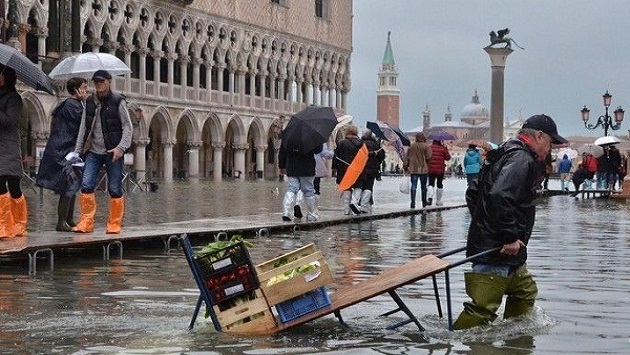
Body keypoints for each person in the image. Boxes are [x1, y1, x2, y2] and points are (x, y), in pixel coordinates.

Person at [453, 114, 568, 329]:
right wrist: (509, 236)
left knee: (525, 292)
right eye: (551, 144)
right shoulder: (521, 158)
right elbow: (499, 195)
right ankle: (461, 345)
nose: (549, 151)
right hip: (499, 248)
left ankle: (514, 339)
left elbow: (473, 192)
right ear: (540, 137)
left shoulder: (503, 152)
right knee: (482, 310)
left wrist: (483, 222)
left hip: (504, 249)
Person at [72, 70, 134, 234]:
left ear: (109, 82)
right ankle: (86, 222)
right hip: (93, 151)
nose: (98, 84)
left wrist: (121, 147)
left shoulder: (118, 101)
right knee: (86, 185)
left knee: (114, 188)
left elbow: (128, 126)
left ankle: (114, 223)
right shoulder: (90, 102)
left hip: (113, 152)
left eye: (101, 81)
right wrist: (78, 150)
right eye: (96, 82)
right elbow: (83, 127)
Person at [36, 77, 89, 231]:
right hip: (64, 150)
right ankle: (61, 222)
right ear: (77, 89)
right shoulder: (74, 106)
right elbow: (82, 124)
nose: (87, 90)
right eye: (84, 87)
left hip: (64, 149)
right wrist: (85, 104)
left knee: (72, 184)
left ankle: (69, 219)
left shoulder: (68, 104)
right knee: (69, 184)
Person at [0, 65, 28, 238]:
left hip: (8, 146)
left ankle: (19, 224)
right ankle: (4, 225)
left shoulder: (14, 98)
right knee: (0, 183)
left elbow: (9, 121)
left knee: (14, 185)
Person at [278, 136, 322, 222]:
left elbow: (282, 152)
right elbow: (318, 150)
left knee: (292, 188)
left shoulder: (289, 135)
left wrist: (282, 166)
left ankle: (286, 212)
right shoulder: (311, 135)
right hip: (307, 166)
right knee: (308, 190)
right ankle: (311, 214)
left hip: (291, 166)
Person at [350, 130, 385, 214]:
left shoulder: (359, 143)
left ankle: (354, 202)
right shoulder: (376, 145)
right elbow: (382, 157)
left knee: (358, 185)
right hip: (372, 169)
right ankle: (364, 206)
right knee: (368, 187)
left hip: (360, 168)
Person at [332, 124, 362, 215]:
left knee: (347, 188)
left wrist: (333, 168)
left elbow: (336, 157)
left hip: (344, 169)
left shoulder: (341, 143)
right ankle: (354, 203)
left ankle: (346, 210)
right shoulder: (361, 143)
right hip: (357, 169)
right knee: (358, 186)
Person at [403, 132, 432, 208]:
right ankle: (424, 203)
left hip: (413, 169)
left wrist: (405, 166)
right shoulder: (426, 146)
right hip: (423, 169)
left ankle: (412, 203)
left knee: (413, 186)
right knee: (423, 187)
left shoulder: (411, 146)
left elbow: (407, 158)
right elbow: (429, 157)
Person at [427, 139, 451, 206]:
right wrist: (446, 149)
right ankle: (438, 200)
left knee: (431, 183)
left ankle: (430, 198)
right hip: (440, 169)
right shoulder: (443, 148)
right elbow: (448, 158)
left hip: (431, 169)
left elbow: (427, 157)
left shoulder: (430, 148)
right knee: (439, 184)